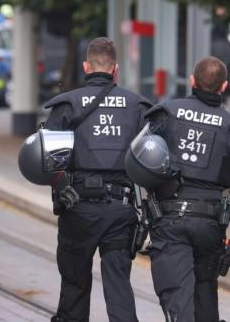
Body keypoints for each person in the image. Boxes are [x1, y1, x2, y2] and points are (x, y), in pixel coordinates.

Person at [44, 37, 151, 322]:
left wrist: (61, 190)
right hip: (120, 209)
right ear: (115, 69)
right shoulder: (138, 106)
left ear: (85, 66)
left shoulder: (66, 105)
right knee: (118, 284)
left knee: (74, 285)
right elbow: (153, 162)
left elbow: (47, 162)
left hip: (77, 208)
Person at [142, 56, 230, 322]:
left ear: (192, 81)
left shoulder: (166, 112)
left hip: (170, 218)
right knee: (205, 295)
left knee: (179, 300)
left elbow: (145, 157)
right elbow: (225, 173)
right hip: (210, 222)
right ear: (224, 86)